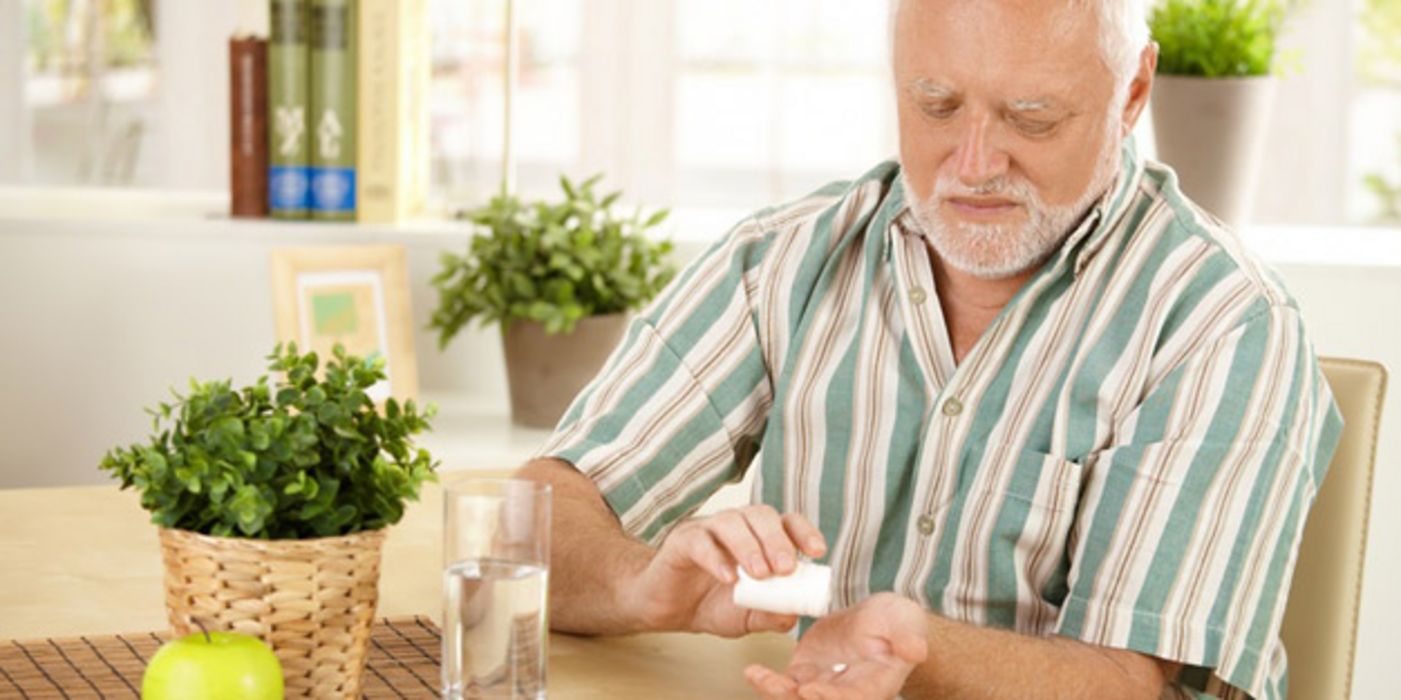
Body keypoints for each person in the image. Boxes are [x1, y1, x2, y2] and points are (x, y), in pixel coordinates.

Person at [517, 1, 1343, 698]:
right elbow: (531, 520)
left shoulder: (1223, 324)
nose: (974, 164)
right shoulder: (783, 260)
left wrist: (914, 648)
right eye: (936, 105)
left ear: (1131, 92)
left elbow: (1138, 682)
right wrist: (639, 584)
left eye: (1033, 117)